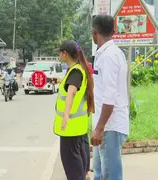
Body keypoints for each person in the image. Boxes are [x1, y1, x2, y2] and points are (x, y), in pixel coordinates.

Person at [91, 14, 129, 180]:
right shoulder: (110, 53)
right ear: (113, 31)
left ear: (94, 33)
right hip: (105, 125)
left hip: (109, 127)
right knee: (99, 174)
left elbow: (110, 97)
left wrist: (99, 128)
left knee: (111, 176)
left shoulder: (109, 57)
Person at [53, 40, 95, 180]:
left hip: (70, 128)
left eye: (60, 52)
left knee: (72, 165)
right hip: (77, 127)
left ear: (64, 54)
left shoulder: (76, 71)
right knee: (78, 161)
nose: (59, 55)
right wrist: (58, 81)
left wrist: (65, 115)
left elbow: (71, 91)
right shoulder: (77, 69)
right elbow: (70, 87)